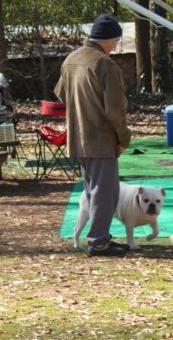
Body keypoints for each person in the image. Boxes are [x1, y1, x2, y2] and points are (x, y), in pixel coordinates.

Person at [54, 14, 132, 257]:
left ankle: (101, 237)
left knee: (92, 189)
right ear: (108, 40)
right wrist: (123, 138)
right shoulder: (105, 64)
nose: (115, 46)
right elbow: (115, 110)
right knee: (105, 192)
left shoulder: (71, 59)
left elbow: (61, 94)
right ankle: (98, 242)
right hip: (100, 138)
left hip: (78, 136)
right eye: (115, 41)